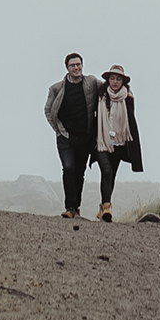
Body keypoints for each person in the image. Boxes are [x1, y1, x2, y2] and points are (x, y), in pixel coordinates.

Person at [43, 52, 101, 218]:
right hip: (65, 138)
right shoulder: (56, 88)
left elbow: (109, 88)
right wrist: (59, 130)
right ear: (67, 68)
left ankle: (76, 208)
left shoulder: (91, 82)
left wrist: (127, 90)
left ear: (82, 65)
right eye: (72, 65)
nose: (76, 68)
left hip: (85, 137)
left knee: (79, 172)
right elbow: (47, 110)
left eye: (78, 64)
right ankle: (70, 208)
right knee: (68, 168)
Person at [92, 66, 143, 223]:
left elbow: (131, 122)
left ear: (123, 82)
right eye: (112, 78)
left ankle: (103, 209)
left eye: (118, 79)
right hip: (101, 141)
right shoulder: (100, 95)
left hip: (119, 143)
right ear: (108, 80)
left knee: (111, 175)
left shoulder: (128, 98)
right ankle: (107, 207)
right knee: (106, 170)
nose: (115, 82)